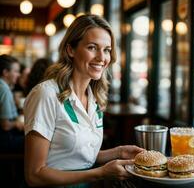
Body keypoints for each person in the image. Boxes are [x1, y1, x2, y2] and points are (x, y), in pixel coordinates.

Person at [24, 14, 143, 187]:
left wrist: (119, 152)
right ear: (70, 49)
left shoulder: (94, 97)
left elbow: (78, 157)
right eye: (92, 47)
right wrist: (100, 173)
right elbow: (34, 175)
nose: (102, 58)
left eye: (107, 50)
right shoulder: (46, 94)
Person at [0, 54, 24, 152]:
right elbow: (5, 125)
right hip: (4, 140)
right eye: (16, 71)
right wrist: (18, 124)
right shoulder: (4, 89)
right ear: (5, 72)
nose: (19, 75)